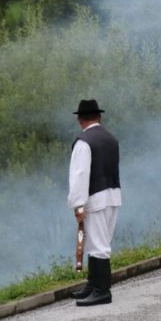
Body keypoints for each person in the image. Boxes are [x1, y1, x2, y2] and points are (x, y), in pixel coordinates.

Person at [68, 99, 121, 306]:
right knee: (96, 242)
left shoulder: (84, 142)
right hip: (113, 194)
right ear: (100, 117)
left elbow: (80, 176)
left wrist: (78, 204)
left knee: (98, 245)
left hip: (95, 197)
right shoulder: (111, 138)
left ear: (80, 119)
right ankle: (93, 285)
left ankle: (102, 291)